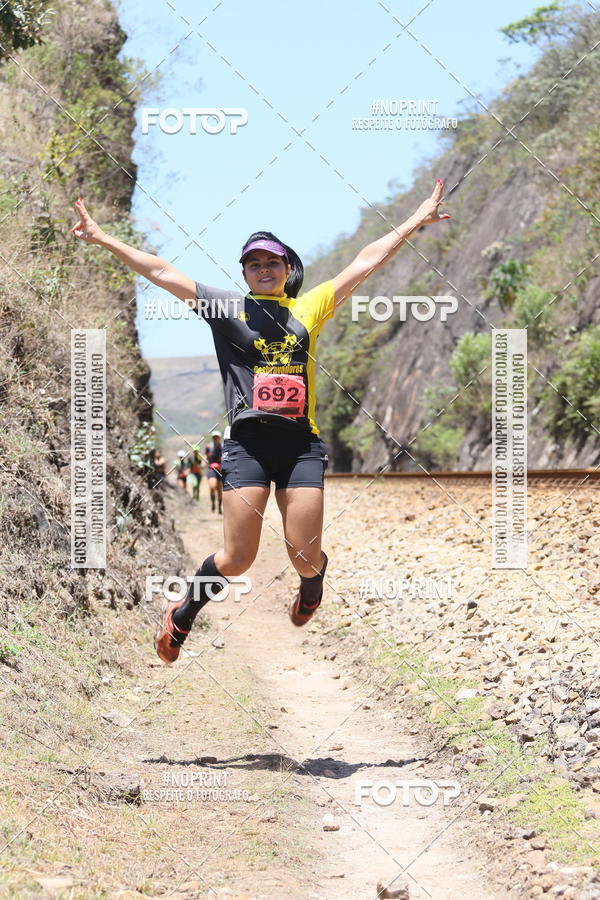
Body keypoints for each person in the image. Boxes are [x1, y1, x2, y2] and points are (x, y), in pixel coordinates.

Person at [70, 181, 450, 664]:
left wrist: (415, 219)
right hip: (247, 445)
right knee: (237, 558)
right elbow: (163, 272)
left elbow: (365, 261)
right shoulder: (227, 309)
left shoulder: (308, 308)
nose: (264, 269)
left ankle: (310, 590)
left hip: (299, 448)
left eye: (273, 262)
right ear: (245, 272)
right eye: (255, 263)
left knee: (306, 557)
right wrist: (104, 238)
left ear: (287, 268)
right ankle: (182, 614)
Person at [205, 430, 223, 514]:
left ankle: (219, 507)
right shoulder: (209, 447)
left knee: (220, 490)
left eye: (217, 437)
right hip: (211, 469)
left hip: (220, 470)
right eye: (214, 437)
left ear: (219, 438)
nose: (216, 439)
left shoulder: (223, 447)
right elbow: (206, 457)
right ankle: (213, 503)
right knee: (212, 487)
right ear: (213, 438)